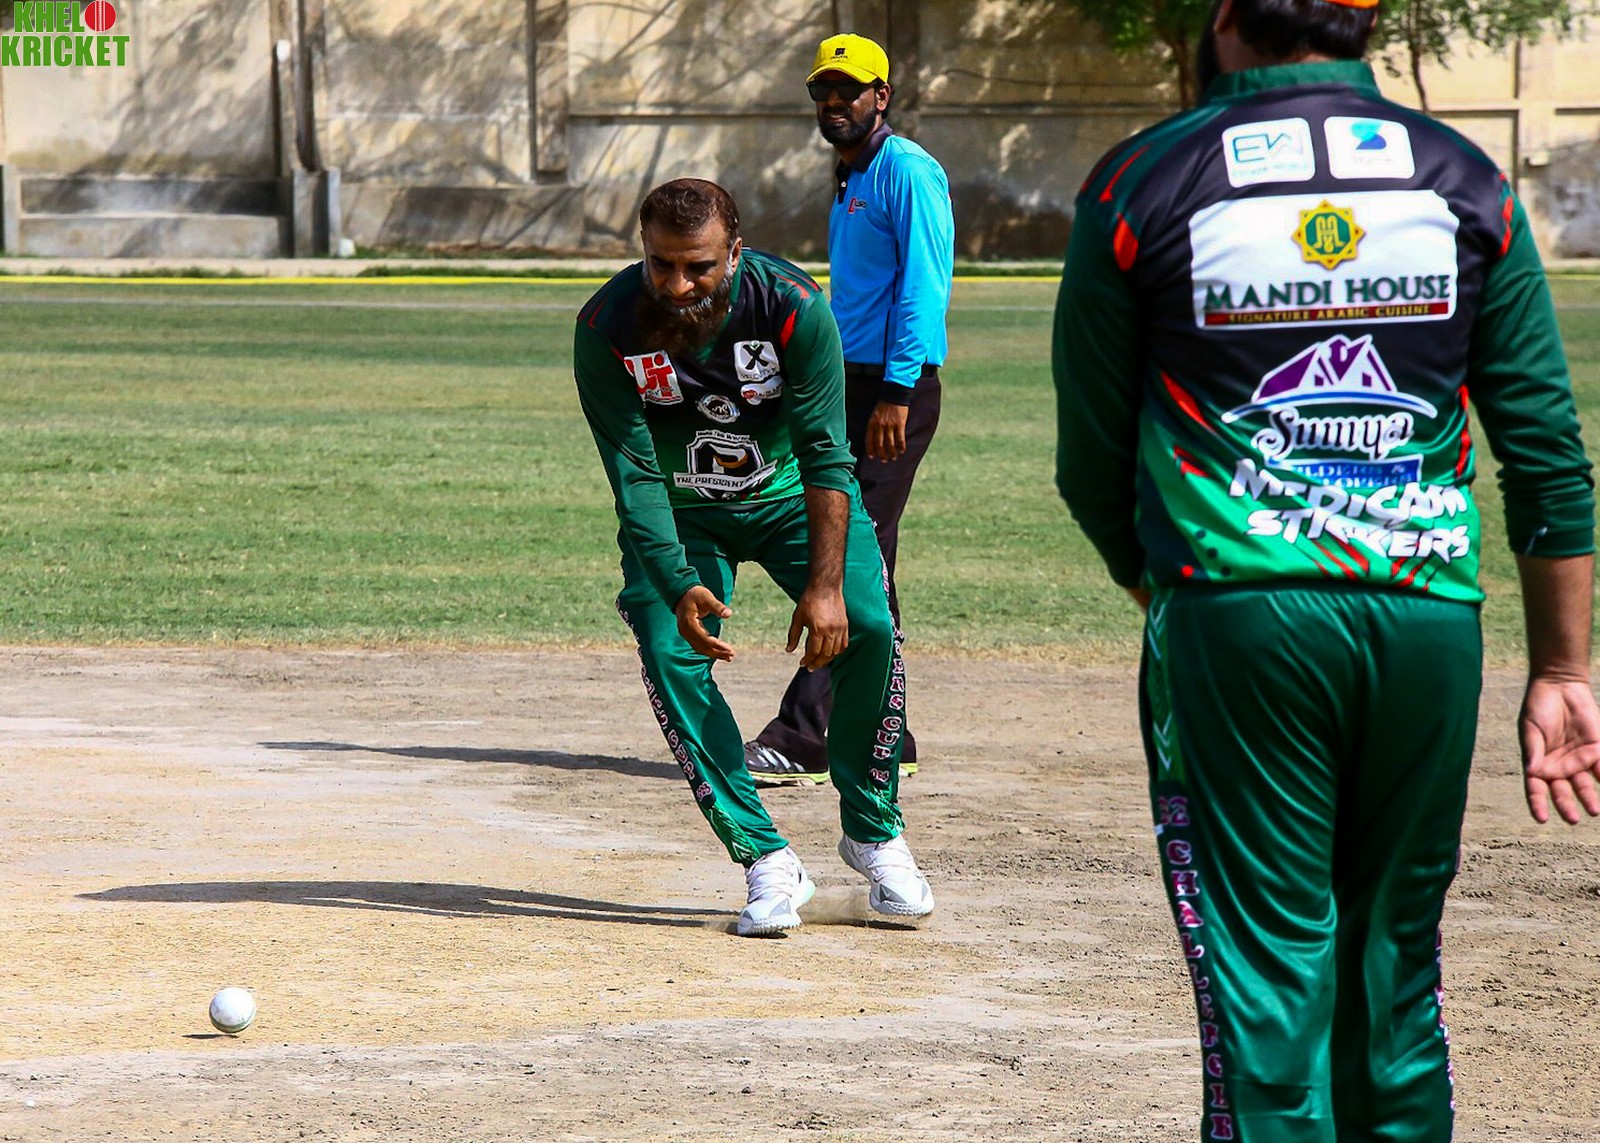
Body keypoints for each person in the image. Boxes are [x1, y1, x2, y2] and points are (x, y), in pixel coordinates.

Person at [1053, 1, 1600, 1139]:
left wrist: (1162, 587)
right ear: (1369, 19)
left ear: (1225, 17)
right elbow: (1546, 452)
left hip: (1238, 608)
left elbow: (1090, 459)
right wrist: (1561, 667)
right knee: (1395, 962)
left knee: (1267, 969)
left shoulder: (1144, 178)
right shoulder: (1464, 176)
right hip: (1427, 614)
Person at [573, 177, 935, 936]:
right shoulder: (606, 325)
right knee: (668, 647)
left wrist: (826, 587)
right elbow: (634, 473)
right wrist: (675, 582)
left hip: (792, 498)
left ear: (734, 253)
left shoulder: (793, 307)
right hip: (682, 514)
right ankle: (767, 858)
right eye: (662, 264)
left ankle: (872, 831)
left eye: (698, 266)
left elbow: (827, 453)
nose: (679, 285)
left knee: (868, 623)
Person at [743, 32, 955, 786]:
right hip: (849, 383)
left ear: (881, 96)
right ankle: (888, 729)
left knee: (852, 552)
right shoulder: (851, 171)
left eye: (849, 89)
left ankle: (803, 732)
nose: (834, 102)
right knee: (871, 556)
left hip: (892, 391)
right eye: (822, 90)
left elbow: (924, 287)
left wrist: (898, 391)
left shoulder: (907, 171)